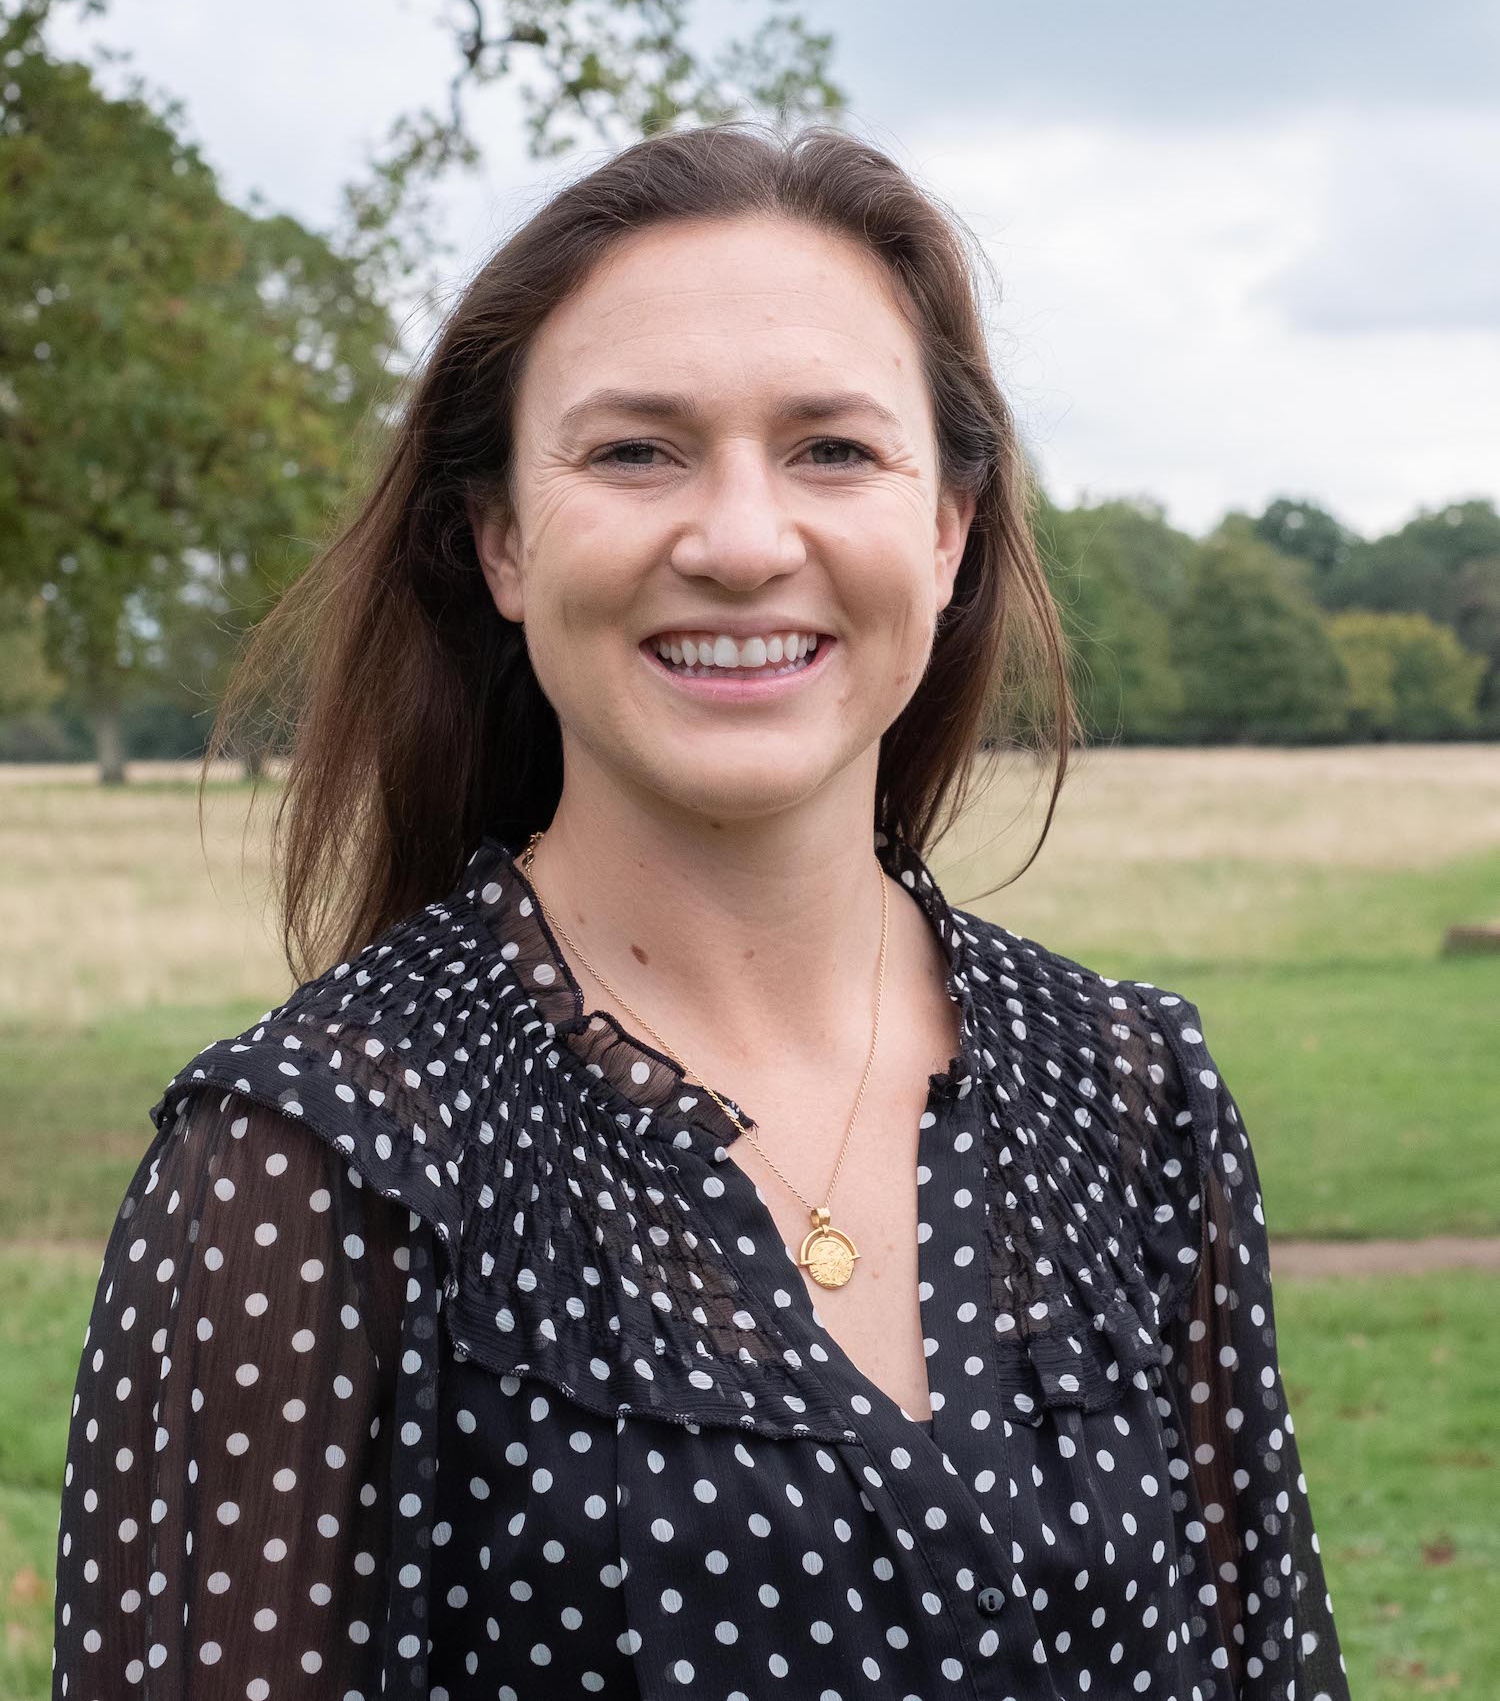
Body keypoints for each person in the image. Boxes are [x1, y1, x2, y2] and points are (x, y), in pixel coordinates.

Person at [51, 120, 1351, 1700]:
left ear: (947, 530)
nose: (741, 542)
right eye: (635, 452)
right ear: (502, 539)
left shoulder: (1133, 1096)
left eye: (833, 449)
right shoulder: (317, 1160)